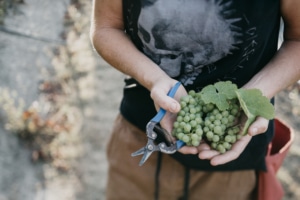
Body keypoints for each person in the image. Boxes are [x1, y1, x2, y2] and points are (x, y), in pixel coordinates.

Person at [90, 0, 300, 199]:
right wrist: (154, 79)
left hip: (234, 157)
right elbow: (107, 28)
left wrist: (254, 97)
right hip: (140, 134)